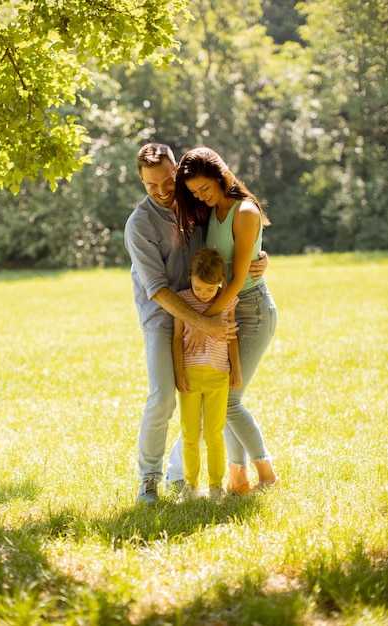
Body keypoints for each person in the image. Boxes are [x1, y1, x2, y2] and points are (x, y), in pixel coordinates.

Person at [124, 143, 268, 504]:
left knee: (207, 394)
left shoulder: (195, 206)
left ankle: (180, 474)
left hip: (210, 309)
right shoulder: (139, 225)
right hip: (165, 318)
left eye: (166, 182)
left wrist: (261, 258)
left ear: (177, 172)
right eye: (150, 185)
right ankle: (149, 481)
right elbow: (157, 290)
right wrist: (204, 323)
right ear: (140, 181)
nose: (160, 191)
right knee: (163, 397)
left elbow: (234, 232)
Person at [174, 146, 279, 493]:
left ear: (221, 176)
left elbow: (237, 280)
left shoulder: (244, 210)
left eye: (205, 188)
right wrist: (206, 319)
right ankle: (239, 476)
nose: (200, 197)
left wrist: (205, 319)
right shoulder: (213, 211)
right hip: (226, 307)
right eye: (194, 193)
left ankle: (267, 475)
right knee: (226, 397)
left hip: (251, 308)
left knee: (230, 399)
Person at [173, 248, 242, 504]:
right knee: (190, 434)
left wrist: (236, 368)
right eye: (199, 288)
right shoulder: (181, 300)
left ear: (221, 282)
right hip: (190, 376)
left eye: (210, 290)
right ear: (190, 277)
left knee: (214, 434)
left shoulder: (227, 301)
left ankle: (215, 487)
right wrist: (179, 373)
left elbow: (232, 338)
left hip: (218, 376)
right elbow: (177, 337)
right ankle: (190, 486)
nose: (203, 295)